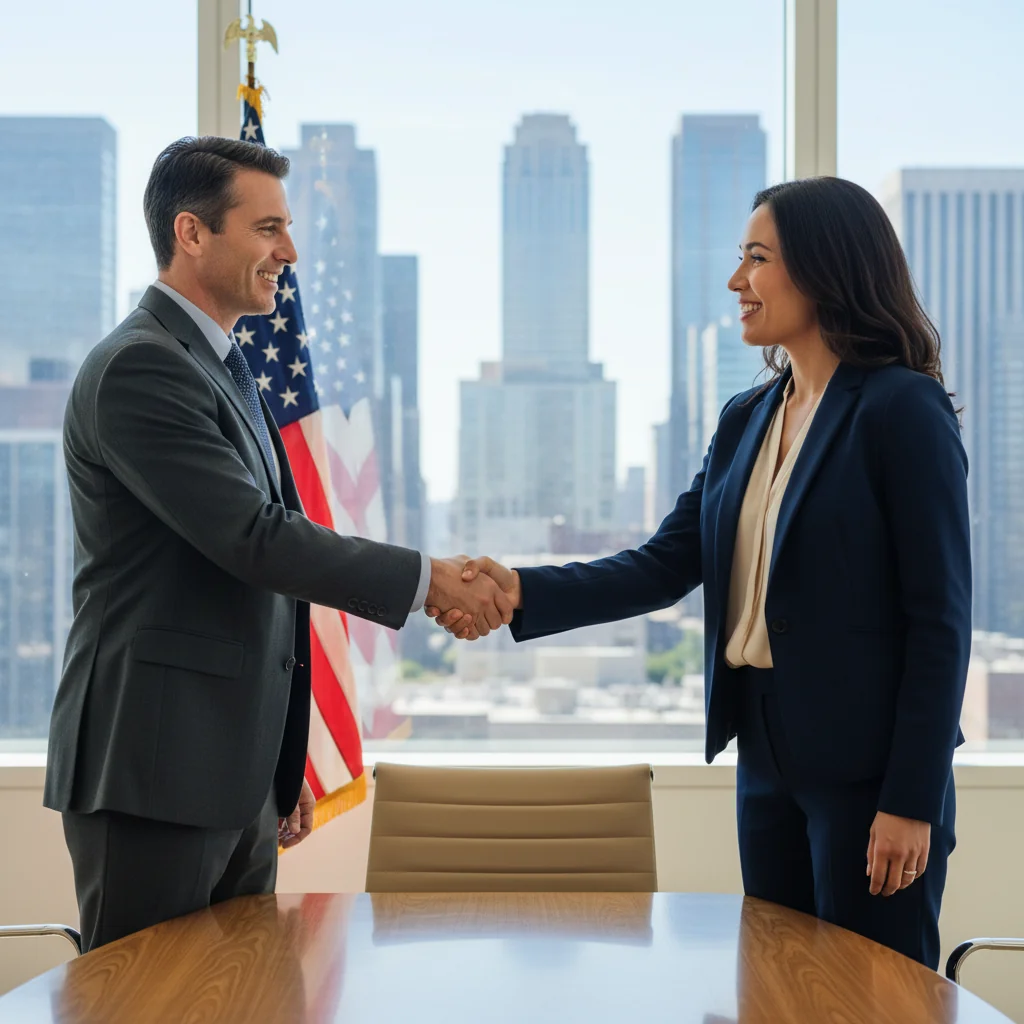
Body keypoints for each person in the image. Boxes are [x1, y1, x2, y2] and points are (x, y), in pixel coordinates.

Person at [430, 177, 972, 970]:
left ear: (824, 268)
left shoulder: (900, 409)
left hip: (870, 774)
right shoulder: (747, 418)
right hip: (765, 756)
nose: (735, 282)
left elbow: (941, 621)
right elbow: (665, 563)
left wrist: (911, 800)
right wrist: (520, 591)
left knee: (872, 996)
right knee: (774, 988)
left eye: (756, 259)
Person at [44, 136, 513, 952]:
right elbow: (256, 541)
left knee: (237, 1003)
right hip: (152, 772)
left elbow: (263, 587)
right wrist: (430, 579)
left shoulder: (223, 366)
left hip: (232, 778)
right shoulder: (140, 369)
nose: (288, 253)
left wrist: (280, 757)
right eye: (267, 230)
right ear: (192, 234)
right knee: (145, 1009)